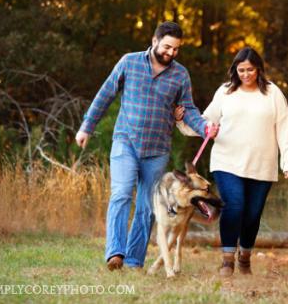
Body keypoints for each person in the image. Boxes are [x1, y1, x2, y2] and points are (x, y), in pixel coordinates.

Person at [75, 21, 218, 271]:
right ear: (154, 41)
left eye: (176, 49)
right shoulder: (129, 62)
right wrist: (87, 126)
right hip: (125, 142)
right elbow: (106, 93)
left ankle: (133, 261)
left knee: (146, 207)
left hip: (157, 150)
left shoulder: (180, 75)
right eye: (166, 47)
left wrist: (205, 127)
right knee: (121, 193)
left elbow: (189, 110)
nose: (171, 53)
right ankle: (115, 253)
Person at [175, 46, 288, 277]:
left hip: (262, 165)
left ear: (259, 70)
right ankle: (227, 259)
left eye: (250, 70)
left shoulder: (273, 94)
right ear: (235, 70)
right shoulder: (225, 92)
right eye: (241, 70)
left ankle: (245, 256)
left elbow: (285, 129)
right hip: (227, 161)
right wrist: (182, 122)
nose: (246, 74)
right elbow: (206, 123)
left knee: (252, 215)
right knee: (235, 206)